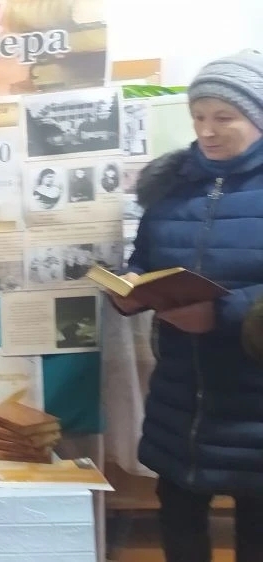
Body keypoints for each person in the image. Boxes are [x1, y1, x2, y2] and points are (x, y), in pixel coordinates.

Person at [109, 51, 263, 562]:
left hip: (253, 403)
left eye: (224, 117)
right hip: (180, 398)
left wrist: (223, 314)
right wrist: (132, 283)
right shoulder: (170, 185)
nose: (207, 131)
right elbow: (146, 258)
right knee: (179, 526)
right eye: (198, 116)